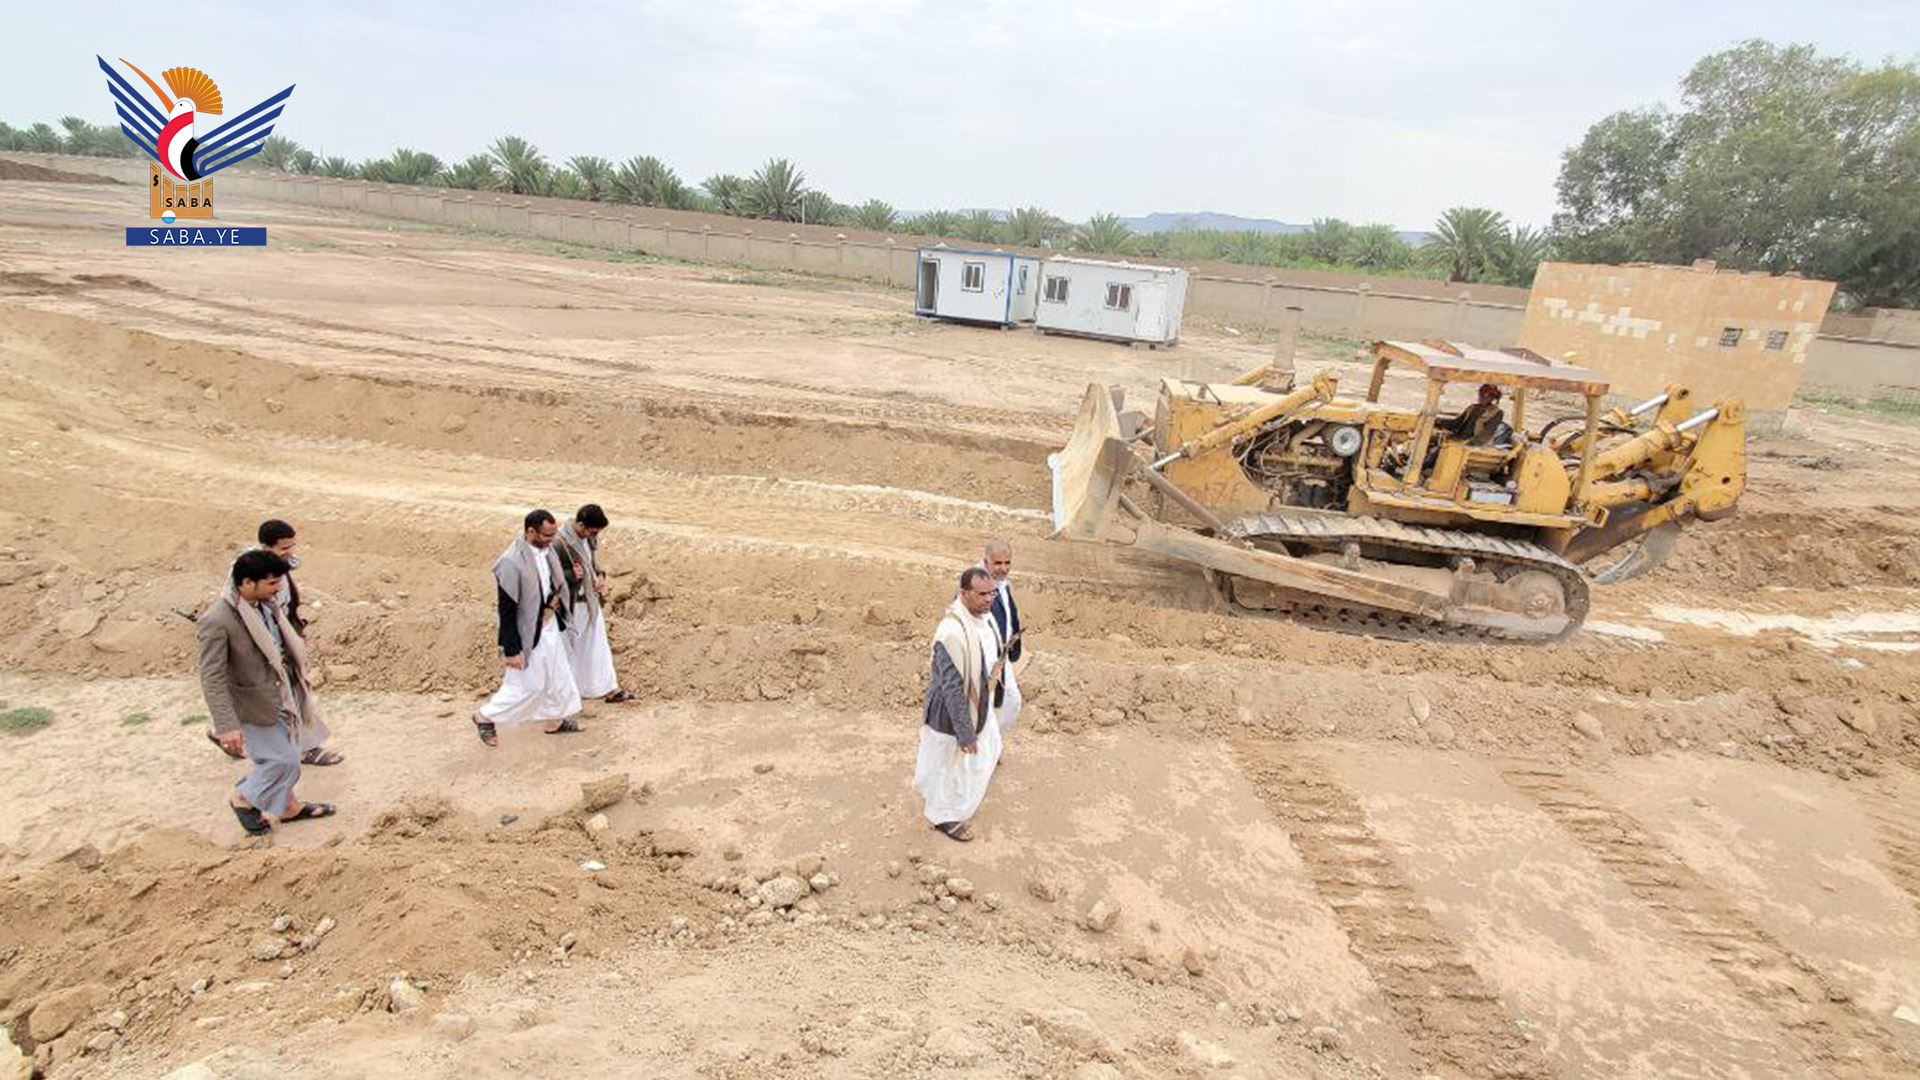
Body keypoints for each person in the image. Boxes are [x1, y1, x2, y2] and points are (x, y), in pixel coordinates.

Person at [196, 550, 336, 836]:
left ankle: (288, 808)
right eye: (272, 583)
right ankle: (244, 798)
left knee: (290, 757)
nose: (278, 589)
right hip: (253, 704)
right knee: (281, 761)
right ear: (247, 583)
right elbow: (212, 677)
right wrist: (226, 727)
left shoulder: (265, 605)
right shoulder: (217, 620)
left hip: (280, 694)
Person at [205, 519, 343, 767]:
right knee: (282, 707)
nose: (290, 552)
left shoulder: (273, 572)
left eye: (292, 546)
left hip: (279, 641)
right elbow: (212, 677)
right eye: (284, 547)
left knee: (291, 695)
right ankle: (303, 750)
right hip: (261, 651)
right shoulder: (244, 584)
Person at [473, 510, 583, 746]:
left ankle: (554, 720)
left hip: (549, 622)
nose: (551, 540)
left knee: (558, 675)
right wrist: (511, 648)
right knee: (527, 684)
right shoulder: (511, 562)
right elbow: (507, 608)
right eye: (546, 535)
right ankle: (485, 717)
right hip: (527, 632)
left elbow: (548, 583)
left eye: (553, 534)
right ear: (531, 531)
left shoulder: (547, 550)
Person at [912, 567, 1005, 843]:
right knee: (947, 763)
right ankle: (944, 816)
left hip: (978, 705)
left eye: (992, 593)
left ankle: (941, 798)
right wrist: (965, 733)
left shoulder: (983, 620)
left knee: (984, 752)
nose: (989, 599)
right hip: (950, 713)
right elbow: (952, 689)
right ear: (964, 594)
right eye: (982, 594)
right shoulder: (951, 632)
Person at [554, 504, 635, 705]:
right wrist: (572, 576)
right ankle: (567, 694)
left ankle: (607, 689)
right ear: (580, 525)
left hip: (589, 602)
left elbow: (591, 563)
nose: (594, 535)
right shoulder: (559, 543)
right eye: (592, 530)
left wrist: (599, 575)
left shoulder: (588, 538)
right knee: (569, 651)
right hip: (571, 607)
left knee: (597, 647)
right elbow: (548, 575)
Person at [981, 540, 1024, 738]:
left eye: (1007, 563)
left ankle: (989, 746)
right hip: (984, 659)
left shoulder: (1001, 584)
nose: (1003, 568)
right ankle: (981, 753)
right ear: (985, 561)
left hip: (1001, 656)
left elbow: (1007, 613)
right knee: (984, 707)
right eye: (998, 563)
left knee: (1011, 701)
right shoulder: (976, 586)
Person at [1444, 383, 1511, 447]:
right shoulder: (1472, 408)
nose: (1481, 397)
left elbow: (1487, 433)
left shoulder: (1496, 412)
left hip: (1474, 444)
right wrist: (1438, 421)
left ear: (1492, 398)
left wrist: (1470, 443)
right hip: (1460, 439)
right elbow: (1456, 423)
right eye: (1480, 394)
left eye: (1485, 396)